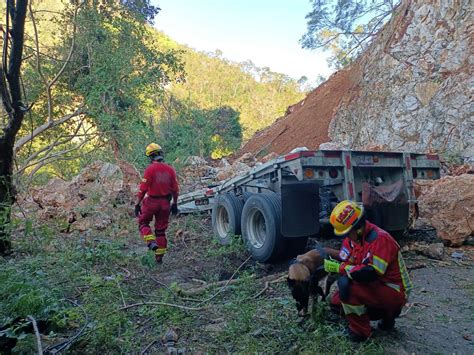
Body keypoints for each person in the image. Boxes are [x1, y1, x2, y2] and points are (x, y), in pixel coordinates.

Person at [323, 200, 412, 341]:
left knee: (348, 290)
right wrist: (334, 263)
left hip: (394, 290)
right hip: (377, 287)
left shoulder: (380, 240)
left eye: (347, 233)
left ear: (358, 228)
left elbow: (370, 273)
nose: (345, 237)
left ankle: (361, 333)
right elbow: (346, 259)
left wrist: (340, 268)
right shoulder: (352, 240)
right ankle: (382, 317)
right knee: (336, 302)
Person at [135, 143, 179, 264]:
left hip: (151, 203)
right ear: (161, 154)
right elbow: (175, 190)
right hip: (165, 204)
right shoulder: (170, 170)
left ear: (150, 157)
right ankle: (159, 259)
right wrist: (175, 204)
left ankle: (151, 242)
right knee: (160, 231)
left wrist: (137, 204)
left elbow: (143, 189)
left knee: (143, 223)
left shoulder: (150, 169)